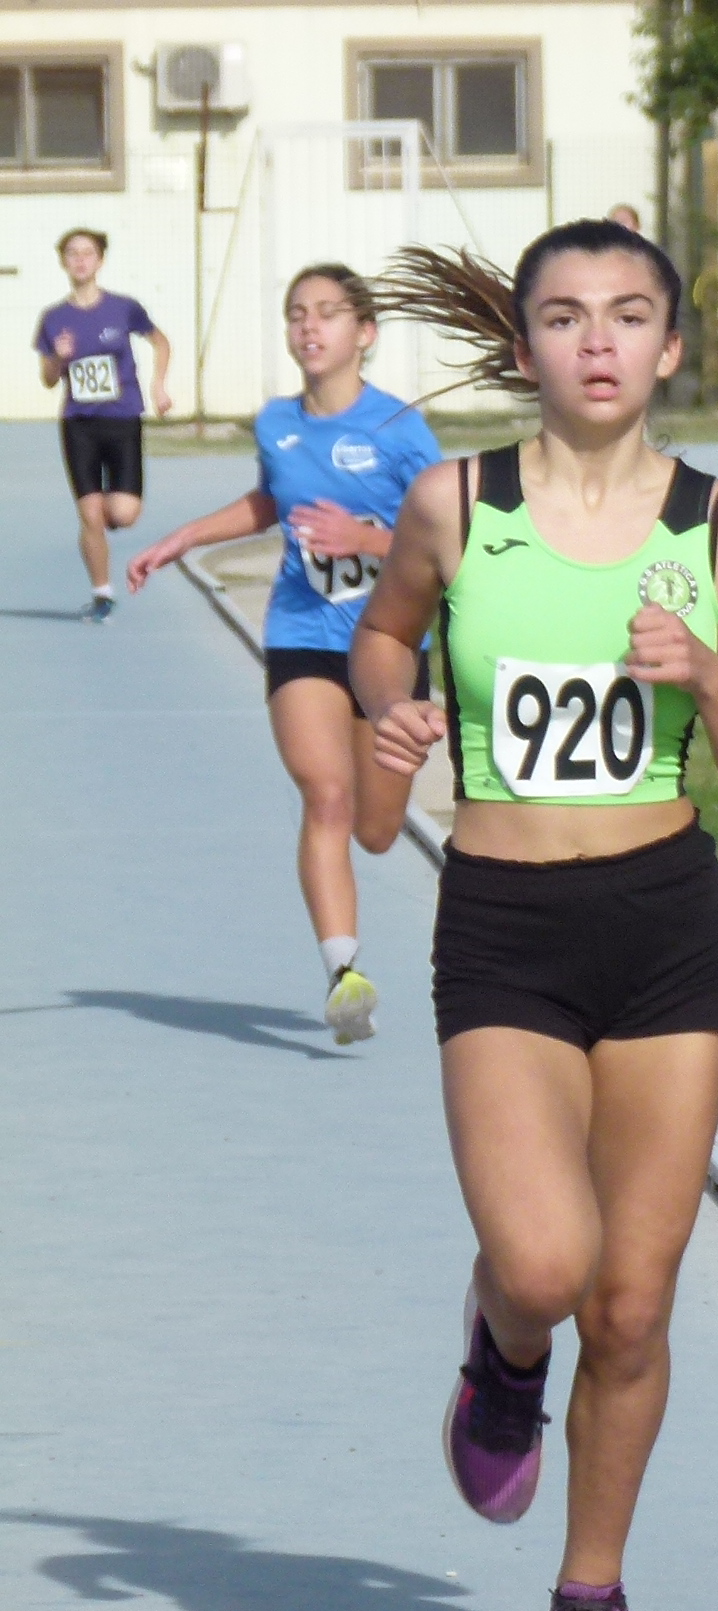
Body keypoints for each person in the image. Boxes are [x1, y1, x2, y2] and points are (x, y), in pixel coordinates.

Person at [351, 221, 718, 1611]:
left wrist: (708, 675)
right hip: (505, 924)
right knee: (547, 1266)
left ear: (671, 347)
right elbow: (382, 640)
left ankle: (590, 1598)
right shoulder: (455, 504)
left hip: (663, 923)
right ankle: (502, 1349)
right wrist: (395, 709)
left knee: (634, 1304)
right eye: (563, 315)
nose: (597, 340)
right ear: (524, 345)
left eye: (627, 314)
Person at [125, 265, 443, 1043]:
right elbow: (271, 499)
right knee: (325, 795)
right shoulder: (276, 423)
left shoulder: (400, 429)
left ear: (364, 333)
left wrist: (363, 539)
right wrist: (184, 536)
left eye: (327, 313)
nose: (309, 326)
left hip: (390, 644)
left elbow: (447, 533)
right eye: (297, 313)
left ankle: (353, 943)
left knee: (377, 829)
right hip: (302, 632)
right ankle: (345, 975)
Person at [36, 227, 172, 622]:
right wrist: (59, 358)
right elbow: (48, 379)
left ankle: (105, 516)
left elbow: (161, 342)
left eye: (88, 253)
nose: (80, 260)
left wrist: (159, 385)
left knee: (123, 514)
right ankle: (102, 594)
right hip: (79, 424)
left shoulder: (124, 308)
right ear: (64, 262)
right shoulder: (53, 318)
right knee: (90, 515)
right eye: (73, 253)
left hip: (122, 418)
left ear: (100, 261)